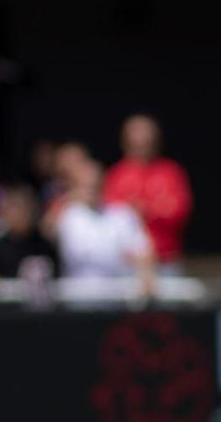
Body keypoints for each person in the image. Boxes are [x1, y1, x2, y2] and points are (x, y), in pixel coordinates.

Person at [103, 114, 192, 273]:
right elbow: (109, 214)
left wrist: (146, 209)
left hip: (166, 259)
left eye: (147, 136)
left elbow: (179, 210)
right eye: (136, 136)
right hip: (128, 263)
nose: (142, 141)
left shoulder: (170, 172)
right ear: (126, 140)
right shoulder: (117, 174)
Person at [55, 159, 155, 291]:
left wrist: (143, 267)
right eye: (86, 186)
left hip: (117, 298)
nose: (92, 190)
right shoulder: (69, 216)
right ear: (76, 187)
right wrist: (123, 257)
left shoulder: (122, 214)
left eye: (96, 185)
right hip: (80, 299)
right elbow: (75, 254)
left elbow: (144, 250)